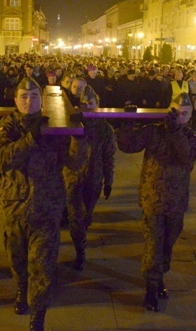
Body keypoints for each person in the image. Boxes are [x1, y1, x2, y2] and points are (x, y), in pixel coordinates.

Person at [0, 77, 87, 331]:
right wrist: (30, 139)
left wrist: (79, 136)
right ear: (15, 100)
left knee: (42, 264)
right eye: (23, 97)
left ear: (42, 101)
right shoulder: (7, 127)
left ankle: (38, 311)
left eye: (33, 97)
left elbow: (73, 163)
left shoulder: (55, 126)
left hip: (47, 205)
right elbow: (2, 159)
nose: (28, 101)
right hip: (14, 206)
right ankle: (22, 290)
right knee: (18, 259)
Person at [117, 93, 196, 312]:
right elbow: (128, 145)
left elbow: (187, 156)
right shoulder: (153, 131)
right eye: (176, 112)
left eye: (185, 113)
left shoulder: (191, 137)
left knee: (168, 244)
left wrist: (174, 131)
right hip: (153, 199)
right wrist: (128, 122)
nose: (180, 117)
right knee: (154, 244)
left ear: (190, 115)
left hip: (176, 202)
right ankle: (151, 287)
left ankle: (160, 275)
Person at [64, 86, 116, 270]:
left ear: (98, 104)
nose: (88, 107)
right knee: (75, 216)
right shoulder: (73, 124)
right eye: (84, 104)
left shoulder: (104, 129)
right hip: (74, 178)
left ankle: (82, 234)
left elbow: (109, 156)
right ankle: (80, 250)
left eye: (91, 103)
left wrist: (109, 181)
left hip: (94, 178)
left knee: (86, 215)